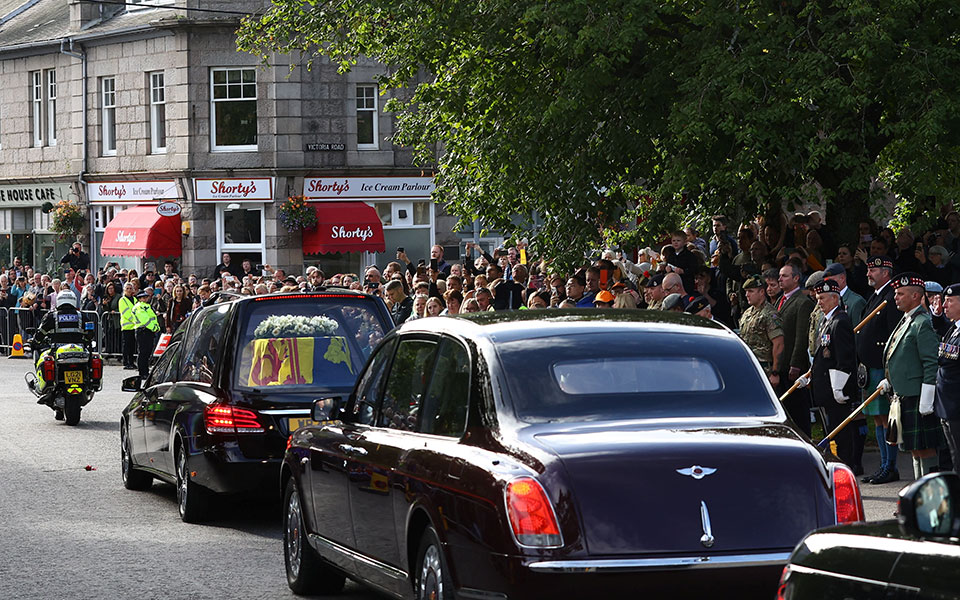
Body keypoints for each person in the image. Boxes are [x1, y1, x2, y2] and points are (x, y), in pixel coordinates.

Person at [879, 272, 943, 481]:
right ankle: (919, 493)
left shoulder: (922, 322)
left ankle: (931, 495)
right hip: (904, 394)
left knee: (925, 450)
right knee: (914, 450)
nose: (895, 297)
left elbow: (930, 362)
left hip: (918, 395)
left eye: (900, 294)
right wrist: (889, 379)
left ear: (916, 296)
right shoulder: (907, 319)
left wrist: (927, 398)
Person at [796, 280, 859, 468]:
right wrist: (809, 375)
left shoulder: (840, 322)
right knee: (830, 432)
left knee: (841, 434)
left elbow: (844, 358)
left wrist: (840, 386)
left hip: (836, 389)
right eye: (818, 298)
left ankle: (845, 466)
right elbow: (822, 356)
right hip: (825, 387)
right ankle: (834, 464)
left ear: (835, 298)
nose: (819, 302)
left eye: (823, 298)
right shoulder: (826, 321)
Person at [858, 256, 903, 485]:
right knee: (877, 419)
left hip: (881, 368)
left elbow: (893, 335)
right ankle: (884, 465)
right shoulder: (875, 296)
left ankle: (890, 467)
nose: (868, 274)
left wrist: (888, 373)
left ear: (886, 272)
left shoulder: (890, 298)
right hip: (870, 367)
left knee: (886, 420)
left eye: (873, 270)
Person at [776, 262, 815, 436]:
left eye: (784, 276)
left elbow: (801, 336)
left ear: (796, 278)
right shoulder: (781, 299)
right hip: (781, 363)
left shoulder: (802, 302)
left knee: (798, 410)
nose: (780, 279)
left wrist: (796, 363)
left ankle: (804, 439)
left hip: (792, 365)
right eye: (780, 276)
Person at [738, 275, 784, 388]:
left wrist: (775, 372)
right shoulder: (747, 313)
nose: (747, 295)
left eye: (751, 291)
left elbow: (778, 343)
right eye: (746, 291)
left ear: (762, 292)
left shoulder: (769, 314)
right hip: (748, 364)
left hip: (764, 367)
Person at [935, 283, 960, 471]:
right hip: (947, 405)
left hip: (956, 406)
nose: (944, 305)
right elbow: (941, 328)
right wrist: (936, 316)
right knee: (954, 456)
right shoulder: (954, 327)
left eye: (949, 301)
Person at [132, 290, 161, 379]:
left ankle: (145, 371)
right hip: (143, 330)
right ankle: (142, 372)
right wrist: (154, 328)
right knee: (143, 352)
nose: (145, 299)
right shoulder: (139, 307)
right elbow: (145, 320)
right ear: (139, 299)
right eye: (143, 297)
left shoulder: (147, 306)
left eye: (146, 297)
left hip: (148, 331)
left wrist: (156, 327)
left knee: (147, 352)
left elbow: (152, 318)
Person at [119, 282, 138, 370]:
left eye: (130, 288)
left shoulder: (135, 299)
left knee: (132, 346)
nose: (129, 290)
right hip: (127, 326)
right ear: (124, 290)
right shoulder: (122, 300)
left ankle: (131, 362)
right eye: (127, 288)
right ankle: (126, 362)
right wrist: (135, 320)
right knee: (126, 345)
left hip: (134, 326)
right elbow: (126, 312)